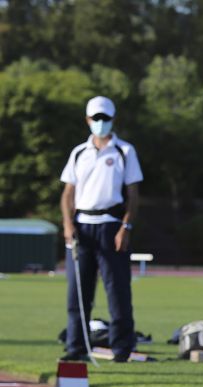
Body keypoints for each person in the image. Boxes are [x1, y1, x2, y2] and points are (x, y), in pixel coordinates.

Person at [60, 96, 144, 362]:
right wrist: (67, 223)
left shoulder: (125, 151)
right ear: (87, 120)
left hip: (111, 226)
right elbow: (67, 194)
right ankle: (76, 347)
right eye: (96, 118)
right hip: (82, 227)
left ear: (112, 119)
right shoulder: (78, 153)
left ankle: (121, 349)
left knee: (117, 291)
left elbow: (133, 194)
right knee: (78, 293)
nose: (100, 123)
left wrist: (125, 226)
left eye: (105, 118)